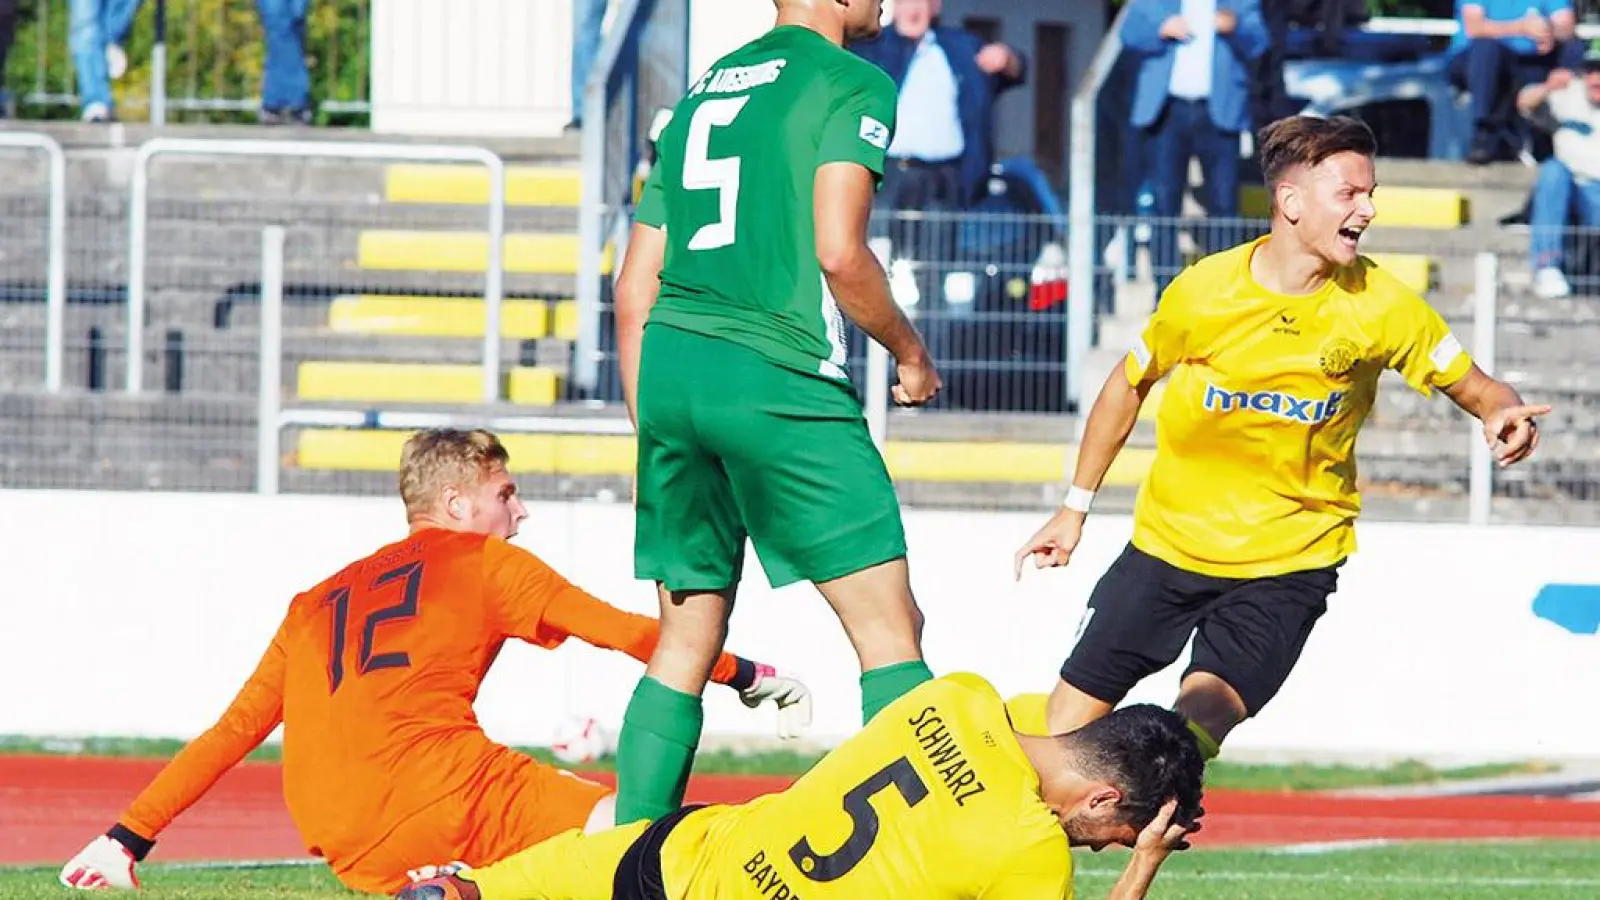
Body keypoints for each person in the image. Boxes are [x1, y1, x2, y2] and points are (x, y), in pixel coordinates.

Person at [57, 429, 812, 895]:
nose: (520, 512)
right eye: (505, 494)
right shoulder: (485, 563)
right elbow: (629, 633)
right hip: (445, 793)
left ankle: (451, 884)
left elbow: (233, 731)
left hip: (347, 845)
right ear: (456, 503)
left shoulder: (312, 600)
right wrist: (747, 674)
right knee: (644, 836)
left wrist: (126, 837)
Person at [1009, 116, 1550, 762]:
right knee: (1058, 740)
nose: (1368, 209)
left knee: (1179, 747)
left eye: (1370, 193)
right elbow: (1127, 385)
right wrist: (1075, 507)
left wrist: (1504, 413)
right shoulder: (1203, 292)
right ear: (1291, 202)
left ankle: (1143, 834)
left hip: (1288, 563)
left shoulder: (1384, 305)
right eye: (1349, 193)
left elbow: (1482, 389)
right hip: (1167, 548)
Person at [609, 0, 943, 826]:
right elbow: (839, 251)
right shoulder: (849, 81)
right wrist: (909, 350)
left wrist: (652, 419)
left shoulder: (703, 91)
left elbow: (630, 286)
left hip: (672, 375)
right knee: (890, 631)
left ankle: (624, 860)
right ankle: (918, 857)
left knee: (685, 643)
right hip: (776, 370)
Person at [399, 672, 1205, 900]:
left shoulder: (954, 696)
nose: (1097, 850)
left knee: (483, 893)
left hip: (679, 851)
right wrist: (1143, 871)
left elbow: (1048, 727)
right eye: (1113, 838)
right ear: (1102, 800)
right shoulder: (1029, 850)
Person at [1120, 0, 1268, 294]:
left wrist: (1234, 27)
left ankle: (1222, 290)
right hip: (1167, 111)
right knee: (1164, 203)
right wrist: (1159, 29)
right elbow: (1129, 34)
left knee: (1224, 203)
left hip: (1218, 114)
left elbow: (1259, 43)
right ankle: (1165, 290)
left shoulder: (1239, 4)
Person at [1448, 0, 1587, 164]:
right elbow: (1475, 28)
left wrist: (1548, 31)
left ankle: (1568, 143)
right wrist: (1521, 28)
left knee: (1574, 49)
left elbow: (1565, 24)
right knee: (1486, 50)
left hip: (1531, 61)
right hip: (1477, 61)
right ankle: (1484, 135)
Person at [1519, 50, 1600, 300]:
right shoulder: (1568, 94)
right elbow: (1524, 102)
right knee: (1553, 172)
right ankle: (1547, 266)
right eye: (1592, 71)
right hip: (1575, 188)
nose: (1596, 79)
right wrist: (1548, 86)